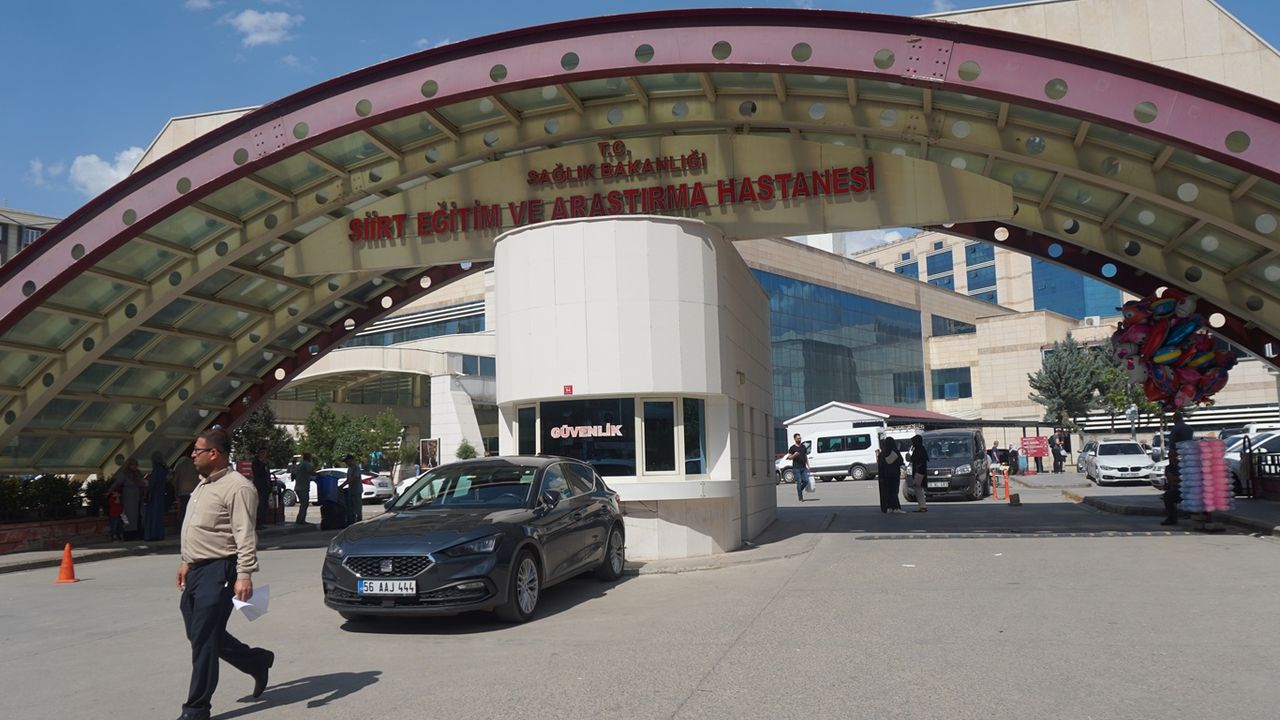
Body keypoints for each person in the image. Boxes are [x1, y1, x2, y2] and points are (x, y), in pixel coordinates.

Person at [175, 427, 274, 720]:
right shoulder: (203, 485)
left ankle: (196, 708)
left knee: (204, 638)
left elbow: (245, 534)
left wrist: (244, 574)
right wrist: (186, 561)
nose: (193, 455)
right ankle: (256, 661)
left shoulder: (238, 487)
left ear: (214, 454)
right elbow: (199, 529)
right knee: (200, 634)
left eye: (197, 450)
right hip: (196, 570)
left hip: (220, 570)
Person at [1163, 411, 1194, 526]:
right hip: (1188, 456)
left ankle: (1172, 518)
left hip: (1180, 456)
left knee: (1168, 496)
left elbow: (1172, 446)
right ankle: (1188, 513)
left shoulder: (1176, 429)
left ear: (1175, 419)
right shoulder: (1189, 429)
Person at [110, 458, 146, 541]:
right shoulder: (125, 474)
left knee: (140, 515)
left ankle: (139, 533)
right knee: (129, 516)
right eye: (132, 465)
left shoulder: (138, 473)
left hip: (138, 497)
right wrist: (110, 491)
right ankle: (129, 535)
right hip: (129, 497)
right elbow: (117, 483)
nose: (134, 467)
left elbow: (142, 482)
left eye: (135, 465)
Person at [143, 451, 169, 541]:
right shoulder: (163, 469)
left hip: (154, 495)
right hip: (160, 494)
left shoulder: (156, 468)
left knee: (152, 514)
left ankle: (152, 534)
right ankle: (158, 534)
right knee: (158, 515)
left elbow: (153, 483)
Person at [876, 436, 904, 514]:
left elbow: (880, 466)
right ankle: (896, 507)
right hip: (894, 475)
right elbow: (900, 461)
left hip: (885, 476)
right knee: (894, 491)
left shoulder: (882, 453)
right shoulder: (895, 451)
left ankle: (889, 507)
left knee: (887, 491)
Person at [785, 433, 812, 502]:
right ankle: (800, 497)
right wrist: (794, 455)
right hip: (796, 468)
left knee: (806, 480)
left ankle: (799, 490)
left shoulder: (803, 447)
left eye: (800, 438)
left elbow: (805, 456)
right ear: (795, 439)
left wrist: (808, 465)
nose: (799, 439)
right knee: (799, 482)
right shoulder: (792, 448)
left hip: (803, 467)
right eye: (798, 438)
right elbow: (789, 458)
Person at [174, 455, 199, 524]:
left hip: (182, 491)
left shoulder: (179, 466)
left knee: (183, 510)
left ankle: (182, 525)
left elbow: (175, 480)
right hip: (193, 490)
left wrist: (176, 491)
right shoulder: (194, 465)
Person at [251, 448, 272, 529]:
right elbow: (257, 473)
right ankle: (258, 522)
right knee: (260, 504)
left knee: (264, 504)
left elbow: (267, 474)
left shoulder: (266, 463)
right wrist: (263, 464)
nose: (265, 455)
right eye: (263, 453)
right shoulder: (256, 463)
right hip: (259, 486)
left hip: (266, 486)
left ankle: (262, 521)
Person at [909, 434, 928, 512]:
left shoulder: (918, 450)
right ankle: (922, 506)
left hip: (919, 473)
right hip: (921, 472)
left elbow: (917, 460)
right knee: (919, 489)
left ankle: (922, 506)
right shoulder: (921, 449)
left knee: (918, 489)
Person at [294, 453, 315, 525]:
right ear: (309, 458)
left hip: (298, 487)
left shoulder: (300, 464)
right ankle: (301, 520)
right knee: (304, 504)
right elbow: (311, 472)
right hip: (303, 487)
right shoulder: (306, 464)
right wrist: (317, 474)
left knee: (303, 504)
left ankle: (300, 519)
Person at [344, 454, 363, 525]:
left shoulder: (356, 468)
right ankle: (352, 520)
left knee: (357, 506)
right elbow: (348, 479)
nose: (346, 463)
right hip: (351, 490)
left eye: (347, 461)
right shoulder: (349, 469)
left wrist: (344, 484)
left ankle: (359, 521)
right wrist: (342, 486)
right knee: (351, 507)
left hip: (357, 490)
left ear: (351, 460)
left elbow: (354, 478)